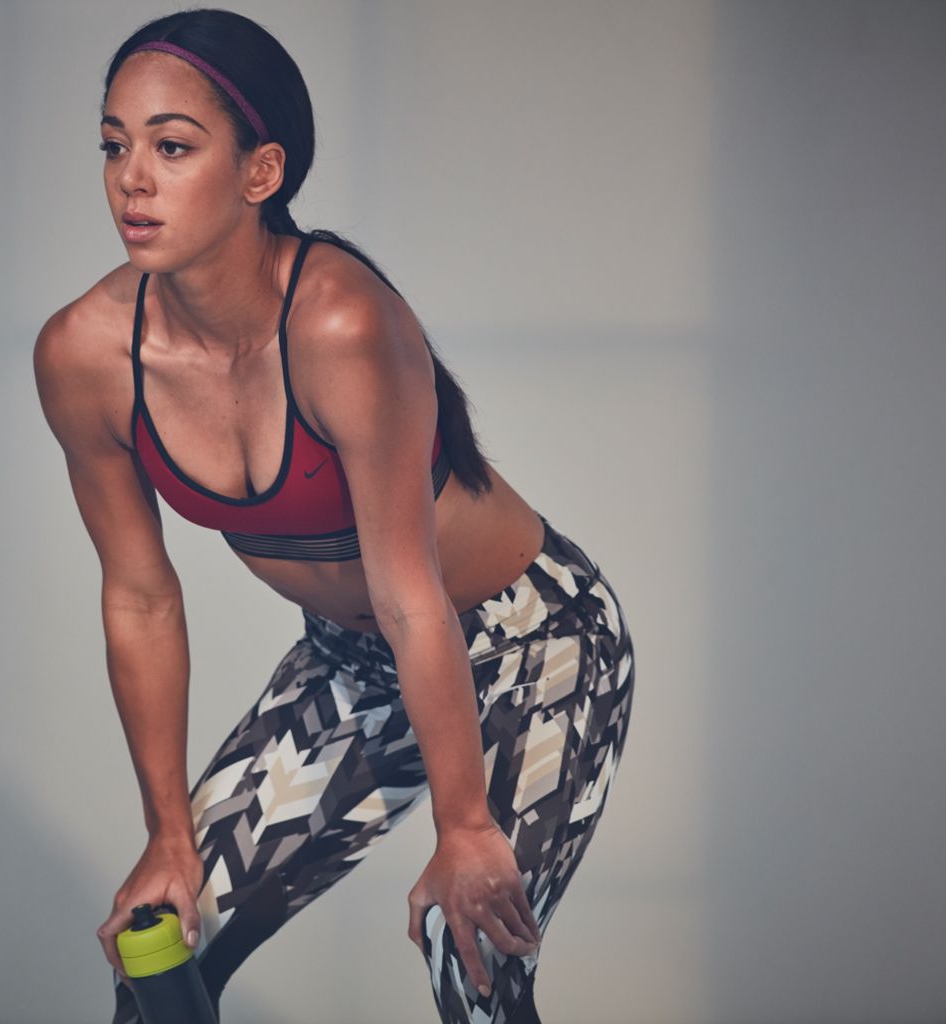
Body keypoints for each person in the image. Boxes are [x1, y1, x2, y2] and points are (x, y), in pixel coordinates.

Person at [32, 9, 636, 1023]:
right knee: (160, 948)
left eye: (172, 146)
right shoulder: (85, 357)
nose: (132, 178)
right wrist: (169, 836)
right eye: (114, 144)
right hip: (355, 662)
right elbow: (140, 597)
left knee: (470, 950)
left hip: (536, 645)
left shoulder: (342, 322)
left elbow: (411, 594)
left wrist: (464, 822)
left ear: (259, 172)